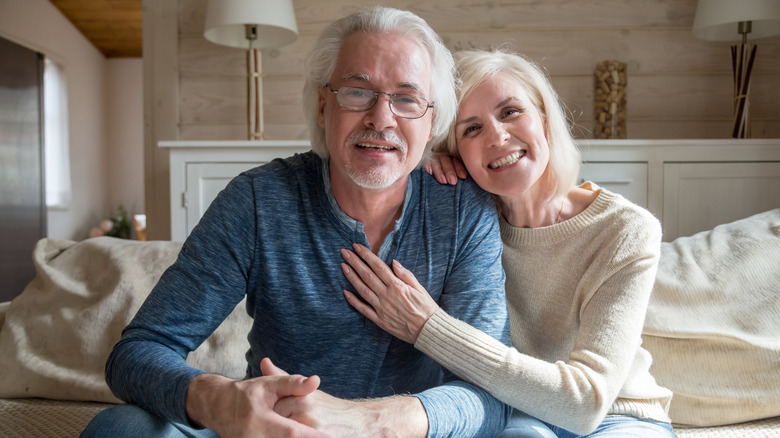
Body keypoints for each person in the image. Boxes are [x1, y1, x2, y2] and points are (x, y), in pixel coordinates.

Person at [81, 8, 512, 438]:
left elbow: (489, 394)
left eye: (406, 99)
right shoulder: (258, 200)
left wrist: (369, 421)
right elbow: (135, 354)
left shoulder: (462, 211)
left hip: (402, 432)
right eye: (357, 92)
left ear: (431, 120)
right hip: (272, 431)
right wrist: (219, 399)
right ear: (324, 106)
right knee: (120, 428)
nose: (381, 119)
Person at [340, 49, 677, 437]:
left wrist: (428, 327)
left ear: (544, 119)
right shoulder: (465, 226)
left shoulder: (626, 230)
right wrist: (423, 163)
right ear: (456, 152)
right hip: (517, 415)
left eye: (511, 112)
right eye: (471, 129)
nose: (497, 137)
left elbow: (586, 403)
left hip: (619, 415)